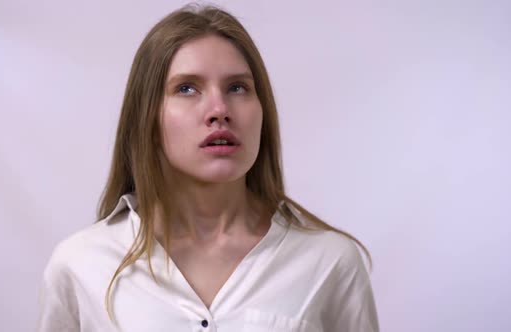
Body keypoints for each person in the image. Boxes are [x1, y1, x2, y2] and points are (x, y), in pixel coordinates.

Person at [37, 4, 379, 332]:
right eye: (187, 88)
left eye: (237, 87)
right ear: (146, 117)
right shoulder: (80, 265)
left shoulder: (330, 262)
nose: (219, 109)